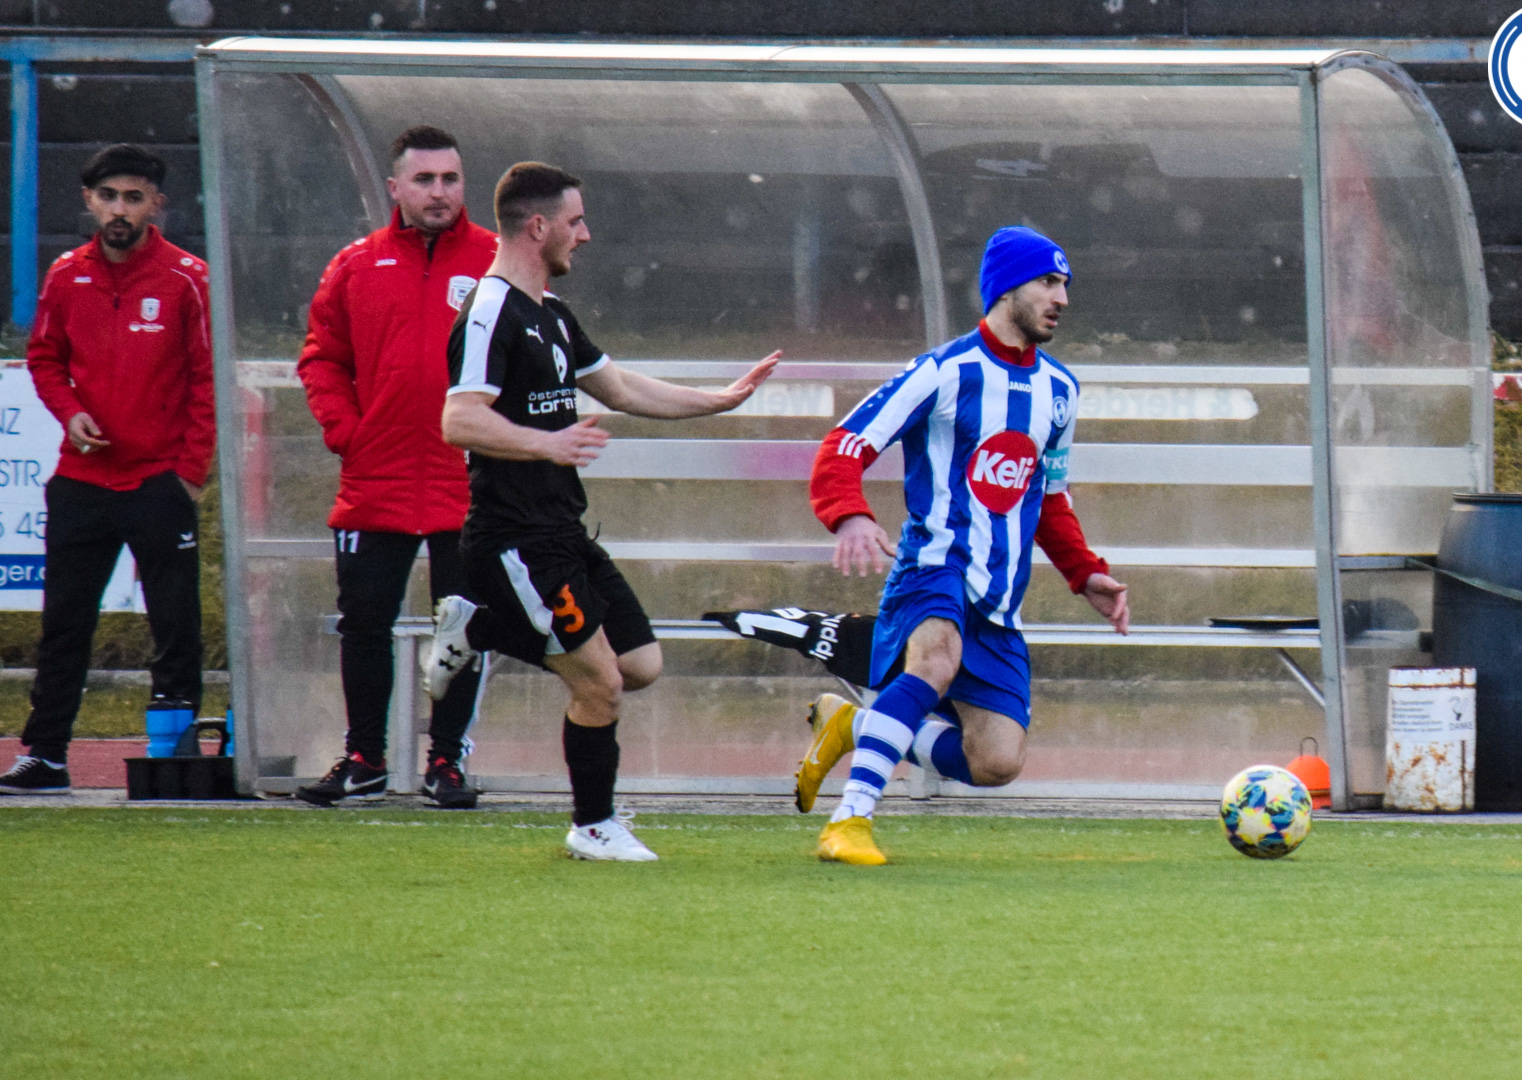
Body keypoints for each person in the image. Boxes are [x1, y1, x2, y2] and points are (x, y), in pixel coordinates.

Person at [424, 162, 778, 859]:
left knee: (639, 664)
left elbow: (618, 387)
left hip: (563, 529)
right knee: (600, 685)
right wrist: (546, 443)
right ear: (538, 226)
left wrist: (720, 400)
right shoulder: (491, 310)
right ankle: (593, 825)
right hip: (514, 539)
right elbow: (458, 420)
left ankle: (480, 626)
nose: (585, 235)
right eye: (576, 221)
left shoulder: (552, 314)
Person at [794, 226, 1131, 865]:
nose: (1062, 298)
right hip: (934, 565)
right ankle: (849, 821)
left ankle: (854, 725)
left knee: (997, 761)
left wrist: (1085, 573)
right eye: (1048, 282)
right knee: (935, 661)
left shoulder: (1060, 391)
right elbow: (846, 443)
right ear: (1006, 288)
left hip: (998, 597)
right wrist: (850, 516)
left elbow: (1048, 496)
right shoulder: (944, 372)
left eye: (1065, 285)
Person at [294, 126, 500, 808]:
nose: (439, 192)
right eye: (424, 179)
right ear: (395, 188)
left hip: (466, 482)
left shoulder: (497, 261)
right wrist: (348, 432)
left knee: (463, 623)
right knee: (363, 623)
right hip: (375, 479)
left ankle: (447, 761)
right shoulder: (357, 264)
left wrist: (502, 444)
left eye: (450, 179)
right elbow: (322, 358)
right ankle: (365, 759)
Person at [0, 144, 213, 795]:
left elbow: (206, 378)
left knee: (174, 623)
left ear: (157, 205)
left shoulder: (187, 278)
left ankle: (174, 752)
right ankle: (46, 755)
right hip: (82, 481)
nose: (121, 209)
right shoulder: (67, 275)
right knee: (65, 623)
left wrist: (190, 473)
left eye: (134, 197)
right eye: (109, 196)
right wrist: (69, 414)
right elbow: (44, 358)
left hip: (158, 481)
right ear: (89, 201)